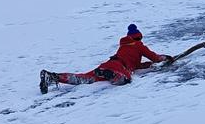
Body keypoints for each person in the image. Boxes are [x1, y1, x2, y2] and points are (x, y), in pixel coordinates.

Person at [39, 24, 172, 94]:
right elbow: (155, 58)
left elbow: (135, 65)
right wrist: (165, 58)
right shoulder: (139, 46)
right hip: (120, 67)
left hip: (109, 63)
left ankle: (53, 76)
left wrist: (146, 65)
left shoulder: (123, 46)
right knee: (126, 79)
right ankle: (112, 76)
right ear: (139, 37)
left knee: (83, 78)